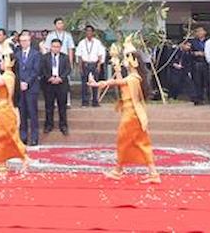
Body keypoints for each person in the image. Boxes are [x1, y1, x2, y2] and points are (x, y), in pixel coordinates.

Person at [87, 38, 160, 184]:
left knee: (124, 141)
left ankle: (118, 170)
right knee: (141, 142)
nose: (125, 60)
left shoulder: (133, 78)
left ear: (133, 61)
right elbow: (121, 84)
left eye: (127, 57)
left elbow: (117, 82)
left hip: (131, 116)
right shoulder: (133, 77)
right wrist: (117, 70)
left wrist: (99, 83)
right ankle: (152, 173)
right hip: (132, 113)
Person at [15, 32, 41, 146]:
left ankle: (34, 137)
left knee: (33, 113)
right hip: (20, 88)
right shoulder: (17, 54)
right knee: (22, 113)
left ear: (29, 41)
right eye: (22, 41)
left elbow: (36, 71)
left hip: (31, 88)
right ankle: (23, 137)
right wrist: (20, 82)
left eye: (26, 41)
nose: (24, 43)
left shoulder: (36, 54)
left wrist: (27, 82)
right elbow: (15, 70)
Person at [41, 38, 71, 135]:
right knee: (49, 106)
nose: (55, 48)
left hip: (61, 84)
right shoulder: (45, 57)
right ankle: (49, 125)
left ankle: (63, 125)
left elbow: (68, 69)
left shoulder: (65, 57)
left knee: (62, 106)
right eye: (53, 46)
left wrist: (60, 78)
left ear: (60, 48)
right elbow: (42, 69)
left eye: (57, 47)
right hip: (49, 84)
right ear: (50, 47)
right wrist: (49, 77)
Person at [75, 25, 106, 107]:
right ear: (85, 32)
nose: (88, 32)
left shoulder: (97, 42)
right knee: (84, 84)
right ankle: (84, 102)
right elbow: (79, 56)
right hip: (85, 64)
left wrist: (99, 65)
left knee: (95, 83)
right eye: (87, 31)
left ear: (93, 32)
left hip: (94, 64)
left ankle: (95, 101)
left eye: (90, 31)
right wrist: (80, 67)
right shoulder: (81, 43)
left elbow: (100, 55)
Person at [188, 27, 208, 105]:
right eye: (197, 32)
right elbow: (189, 52)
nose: (199, 33)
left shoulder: (208, 41)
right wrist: (195, 53)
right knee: (197, 81)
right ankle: (197, 98)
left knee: (204, 81)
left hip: (205, 63)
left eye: (201, 31)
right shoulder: (193, 42)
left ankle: (203, 97)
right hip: (196, 63)